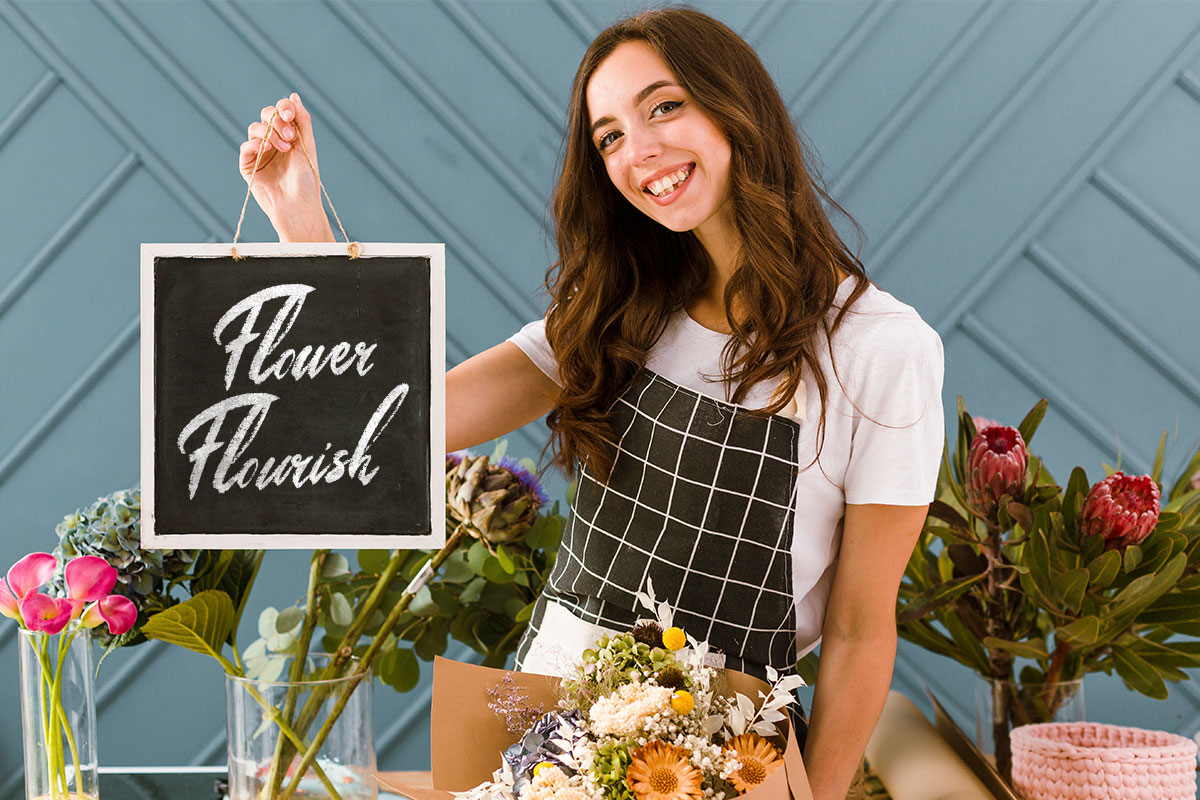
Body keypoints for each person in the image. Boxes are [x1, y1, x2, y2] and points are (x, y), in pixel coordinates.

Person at [238, 8, 943, 799]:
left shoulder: (878, 348)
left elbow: (856, 630)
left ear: (738, 107)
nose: (639, 151)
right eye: (608, 136)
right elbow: (395, 426)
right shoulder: (616, 313)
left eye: (664, 107)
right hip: (534, 743)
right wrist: (300, 223)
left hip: (707, 771)